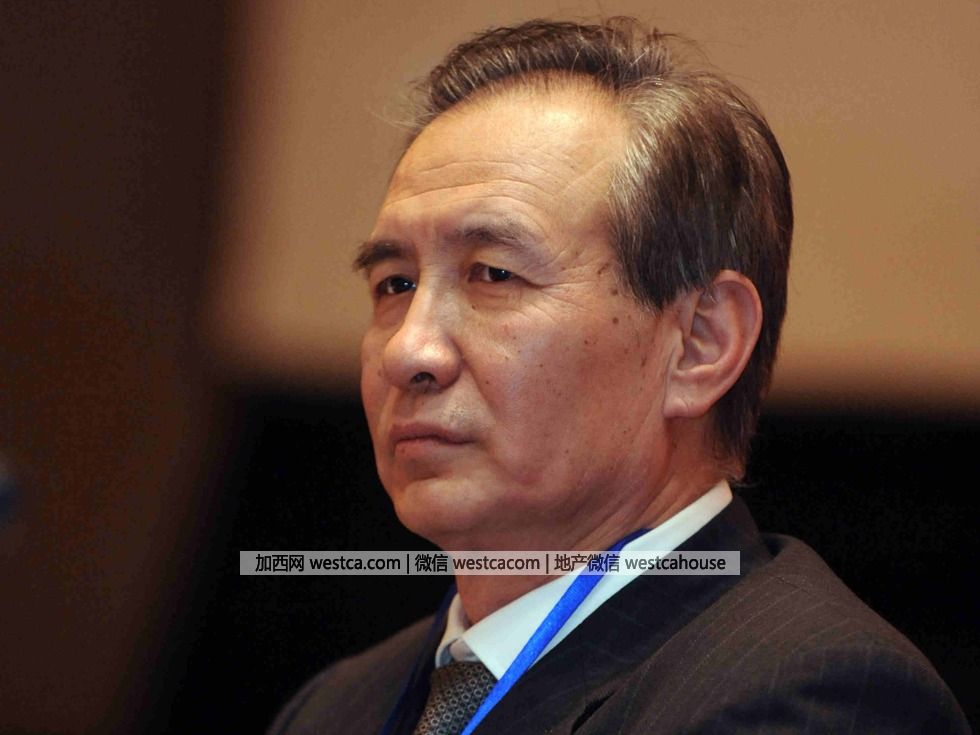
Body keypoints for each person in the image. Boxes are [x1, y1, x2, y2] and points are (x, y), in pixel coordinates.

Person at [268, 18, 968, 734]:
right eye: (394, 284)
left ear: (699, 343)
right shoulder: (331, 711)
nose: (408, 351)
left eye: (494, 274)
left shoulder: (811, 695)